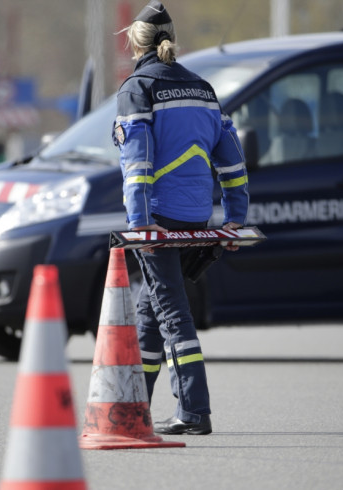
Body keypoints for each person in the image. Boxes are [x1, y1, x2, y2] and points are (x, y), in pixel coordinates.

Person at [112, 1, 249, 435]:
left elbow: (137, 163)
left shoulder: (138, 88)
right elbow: (232, 163)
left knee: (172, 312)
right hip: (195, 217)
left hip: (157, 217)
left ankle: (194, 410)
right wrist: (235, 219)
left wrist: (140, 222)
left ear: (135, 41)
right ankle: (134, 409)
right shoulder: (203, 89)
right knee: (151, 310)